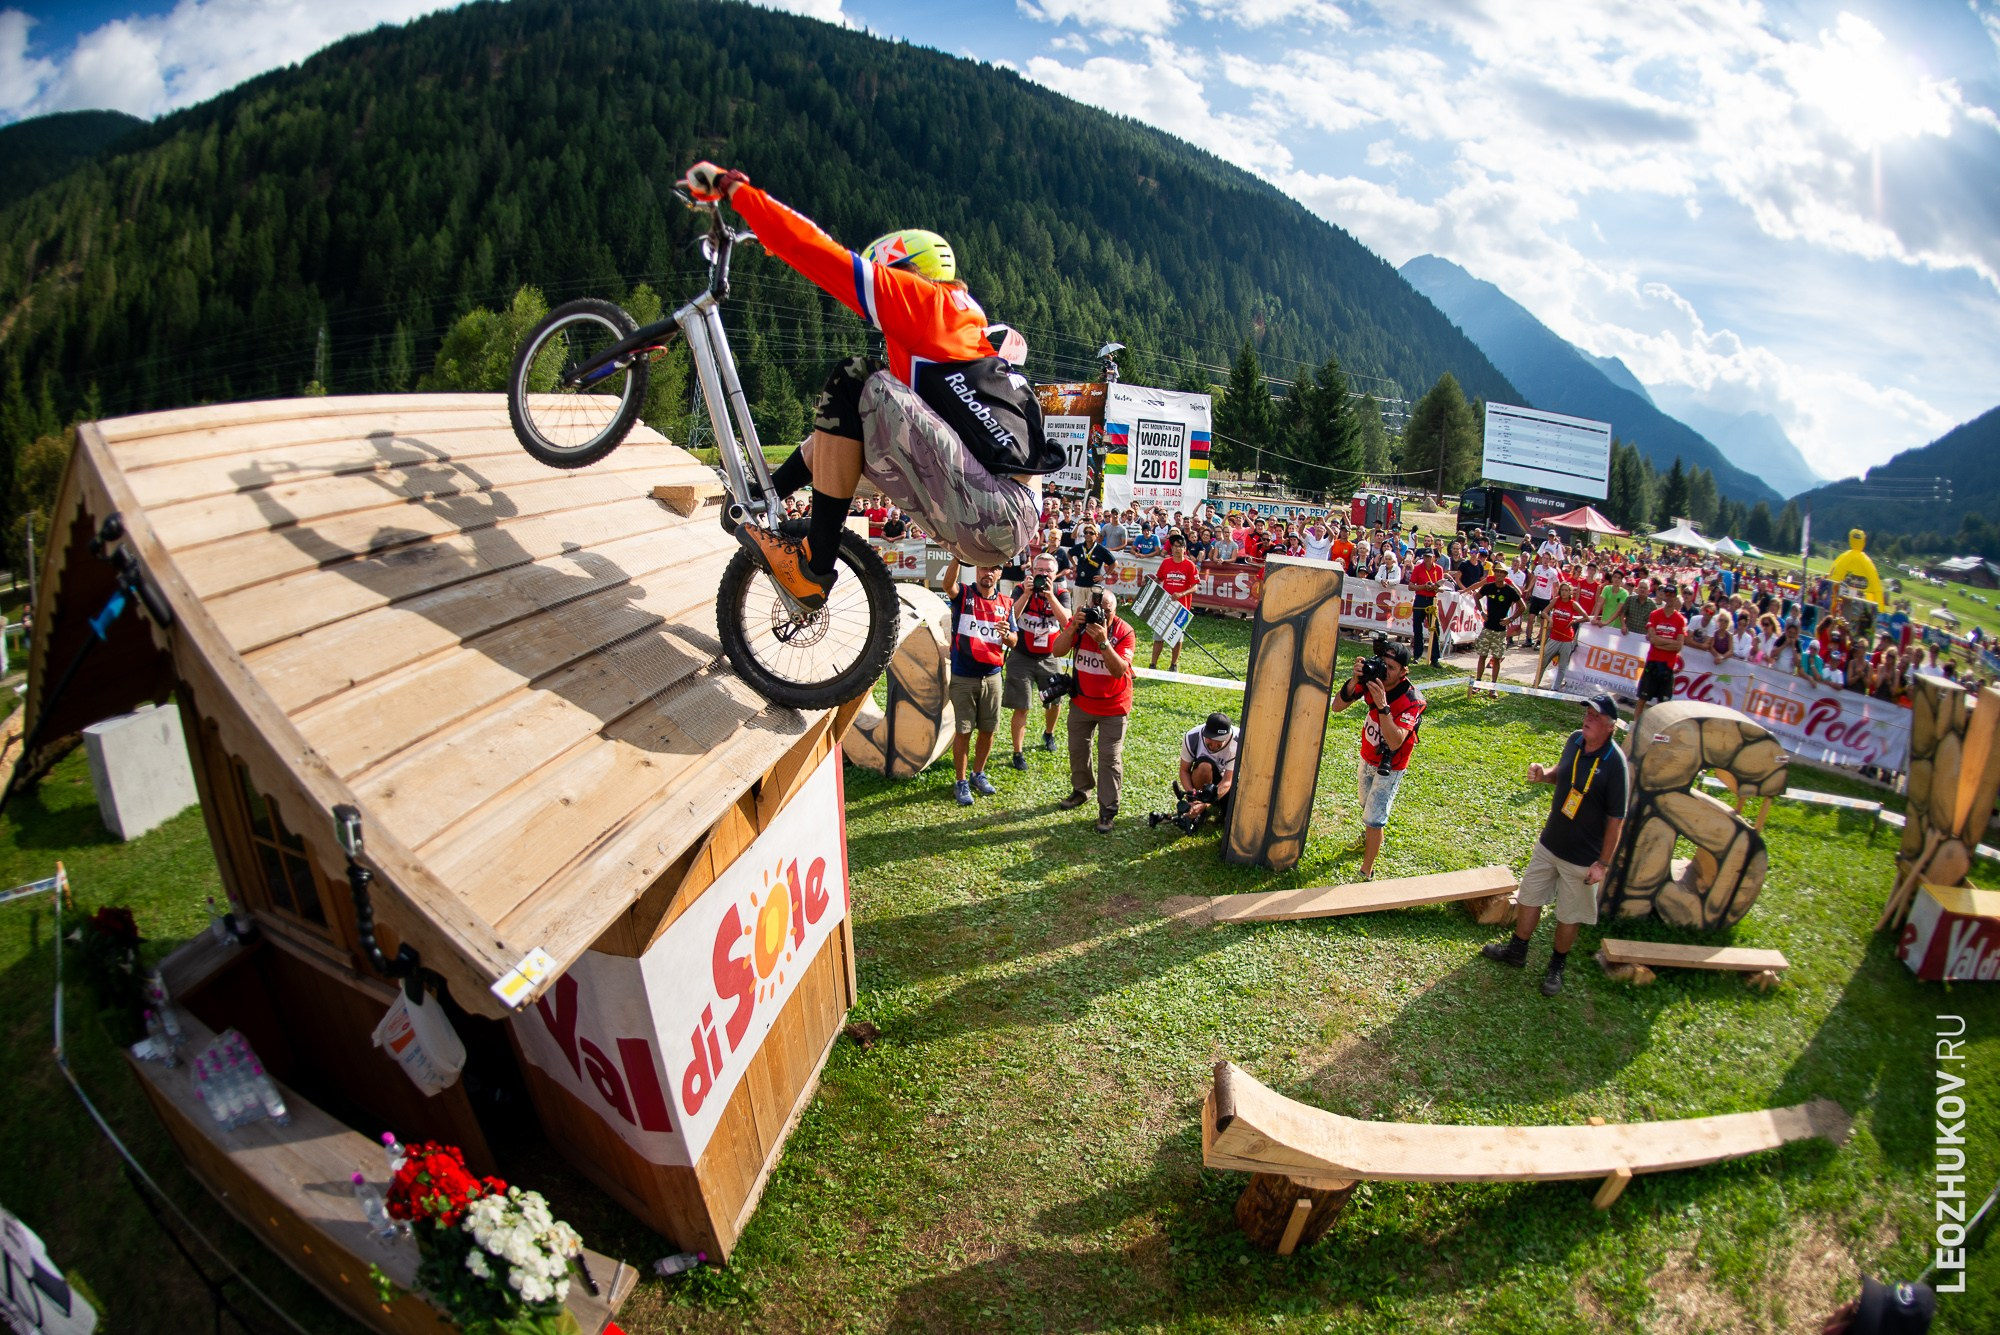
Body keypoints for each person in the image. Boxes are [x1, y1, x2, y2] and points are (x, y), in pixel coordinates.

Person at [679, 163, 1061, 610]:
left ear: (905, 273)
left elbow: (818, 253)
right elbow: (834, 443)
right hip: (992, 513)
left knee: (856, 376)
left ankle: (813, 568)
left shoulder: (927, 304)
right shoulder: (954, 339)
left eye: (887, 278)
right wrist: (763, 500)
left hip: (992, 507)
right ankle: (761, 499)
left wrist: (734, 190)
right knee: (846, 423)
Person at [1480, 693, 1630, 996]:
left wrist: (1603, 864)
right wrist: (1543, 775)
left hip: (1583, 858)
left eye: (1596, 717)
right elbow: (1563, 773)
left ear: (1611, 726)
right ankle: (1517, 950)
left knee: (1568, 915)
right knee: (1530, 897)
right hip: (1550, 842)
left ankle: (1556, 965)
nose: (1588, 719)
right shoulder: (1575, 740)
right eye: (1587, 713)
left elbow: (1616, 820)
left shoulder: (1616, 765)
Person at [1329, 641, 1425, 881]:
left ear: (1404, 672)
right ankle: (1370, 836)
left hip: (1390, 767)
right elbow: (1337, 707)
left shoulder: (1412, 701)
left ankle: (1366, 872)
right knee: (1366, 806)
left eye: (1391, 667)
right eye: (1383, 664)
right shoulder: (1374, 679)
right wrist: (1355, 681)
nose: (1384, 671)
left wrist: (1383, 705)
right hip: (1368, 757)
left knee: (1374, 819)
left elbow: (1395, 742)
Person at [1053, 588, 1136, 833]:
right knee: (1078, 750)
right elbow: (1057, 650)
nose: (1101, 616)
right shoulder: (1080, 624)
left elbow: (1119, 670)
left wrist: (1103, 641)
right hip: (1082, 702)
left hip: (1114, 706)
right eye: (1097, 610)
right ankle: (1081, 791)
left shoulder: (1124, 631)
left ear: (1116, 610)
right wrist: (1071, 626)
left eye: (1107, 612)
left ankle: (1107, 811)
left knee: (1109, 759)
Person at [942, 558, 1016, 804]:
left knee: (989, 729)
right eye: (984, 566)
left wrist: (1008, 636)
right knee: (963, 731)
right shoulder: (964, 594)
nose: (988, 572)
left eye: (993, 568)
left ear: (999, 572)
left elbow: (1014, 640)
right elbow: (947, 584)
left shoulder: (1006, 603)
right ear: (976, 569)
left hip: (993, 677)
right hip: (964, 675)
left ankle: (978, 774)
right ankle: (961, 782)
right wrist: (957, 558)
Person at [1004, 552, 1072, 767]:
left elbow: (1067, 622)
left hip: (1049, 655)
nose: (1043, 575)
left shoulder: (1061, 592)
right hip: (1022, 654)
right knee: (1021, 706)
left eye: (1048, 571)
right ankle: (1018, 753)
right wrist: (1026, 593)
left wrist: (1050, 596)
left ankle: (1049, 733)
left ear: (1055, 574)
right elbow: (1010, 617)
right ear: (1032, 572)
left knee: (1054, 701)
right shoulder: (1020, 589)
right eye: (1039, 570)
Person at [1157, 711, 1239, 833]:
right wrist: (1192, 797)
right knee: (1204, 767)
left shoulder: (1237, 741)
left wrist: (1206, 803)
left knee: (1232, 822)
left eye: (1219, 740)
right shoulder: (1192, 737)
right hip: (1205, 774)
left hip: (1231, 781)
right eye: (1211, 739)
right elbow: (1184, 771)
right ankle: (1199, 812)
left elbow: (1228, 780)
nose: (1214, 744)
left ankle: (1216, 808)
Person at [1636, 584, 1687, 725]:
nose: (1669, 597)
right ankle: (1635, 725)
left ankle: (1657, 728)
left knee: (1662, 704)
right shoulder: (1655, 614)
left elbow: (1679, 645)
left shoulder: (1680, 620)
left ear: (1676, 597)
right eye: (1667, 594)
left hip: (1668, 665)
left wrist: (1660, 642)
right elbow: (1652, 639)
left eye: (1672, 595)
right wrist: (1668, 642)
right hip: (1652, 661)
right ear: (1663, 595)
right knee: (1642, 698)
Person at [1150, 531, 1201, 672]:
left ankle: (1173, 664)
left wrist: (1181, 594)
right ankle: (1153, 664)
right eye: (1175, 546)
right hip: (1164, 605)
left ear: (1185, 549)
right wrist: (1151, 583)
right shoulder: (1166, 563)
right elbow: (1160, 578)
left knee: (1177, 638)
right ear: (1171, 548)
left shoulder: (1190, 566)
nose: (1177, 549)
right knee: (1158, 637)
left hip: (1182, 608)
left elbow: (1195, 586)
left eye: (1180, 546)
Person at [1533, 582, 1586, 692]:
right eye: (1562, 590)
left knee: (1562, 666)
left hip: (1567, 639)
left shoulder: (1573, 604)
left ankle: (1555, 689)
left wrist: (1574, 621)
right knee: (1544, 661)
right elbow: (1544, 612)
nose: (1564, 592)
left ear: (1570, 592)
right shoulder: (1556, 600)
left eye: (1567, 590)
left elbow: (1586, 617)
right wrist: (1550, 619)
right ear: (1560, 591)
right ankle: (1535, 684)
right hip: (1554, 637)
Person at [1473, 570, 1523, 685]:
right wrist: (1482, 612)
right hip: (1487, 628)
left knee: (1497, 658)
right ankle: (1478, 683)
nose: (1499, 575)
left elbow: (1522, 607)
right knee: (1482, 656)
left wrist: (1510, 619)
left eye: (1502, 573)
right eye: (1497, 572)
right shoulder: (1488, 587)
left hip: (1500, 630)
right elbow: (1477, 597)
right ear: (1494, 574)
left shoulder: (1510, 591)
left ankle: (1493, 686)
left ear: (1506, 575)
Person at [1408, 546, 1448, 666]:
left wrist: (1435, 587)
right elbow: (1411, 585)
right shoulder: (1418, 568)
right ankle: (1417, 655)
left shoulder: (1439, 569)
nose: (1427, 559)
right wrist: (1423, 586)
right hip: (1420, 599)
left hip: (1432, 600)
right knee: (1417, 628)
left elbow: (1441, 587)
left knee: (1434, 628)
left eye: (1429, 557)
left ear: (1434, 558)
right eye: (1425, 557)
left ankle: (1434, 658)